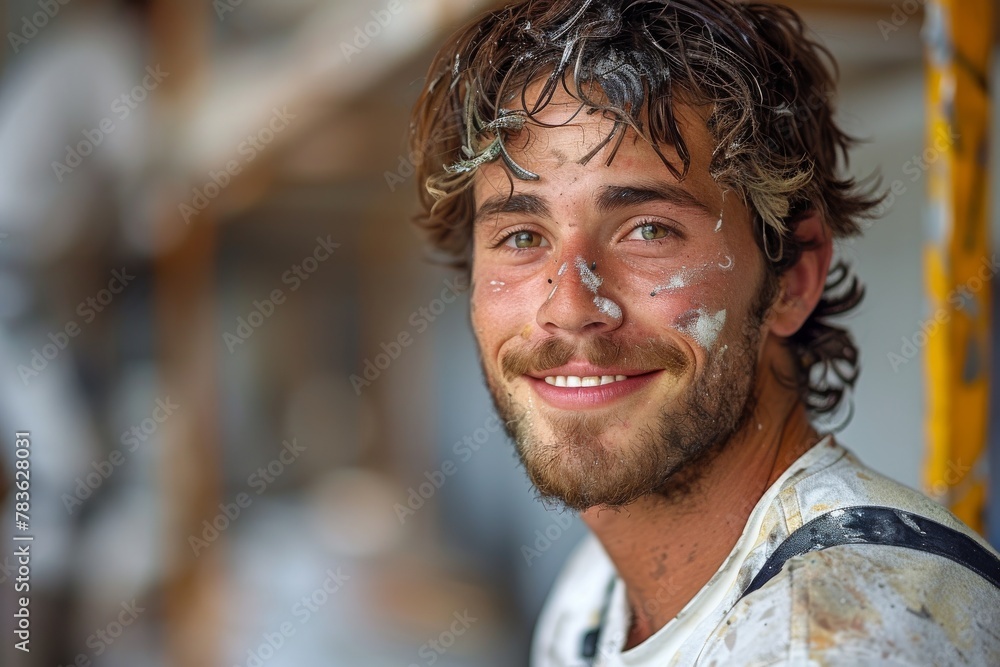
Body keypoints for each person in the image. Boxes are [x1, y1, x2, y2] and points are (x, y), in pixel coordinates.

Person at [407, 0, 1000, 664]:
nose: (570, 305)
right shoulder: (591, 599)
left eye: (648, 231)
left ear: (792, 278)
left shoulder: (848, 633)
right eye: (521, 237)